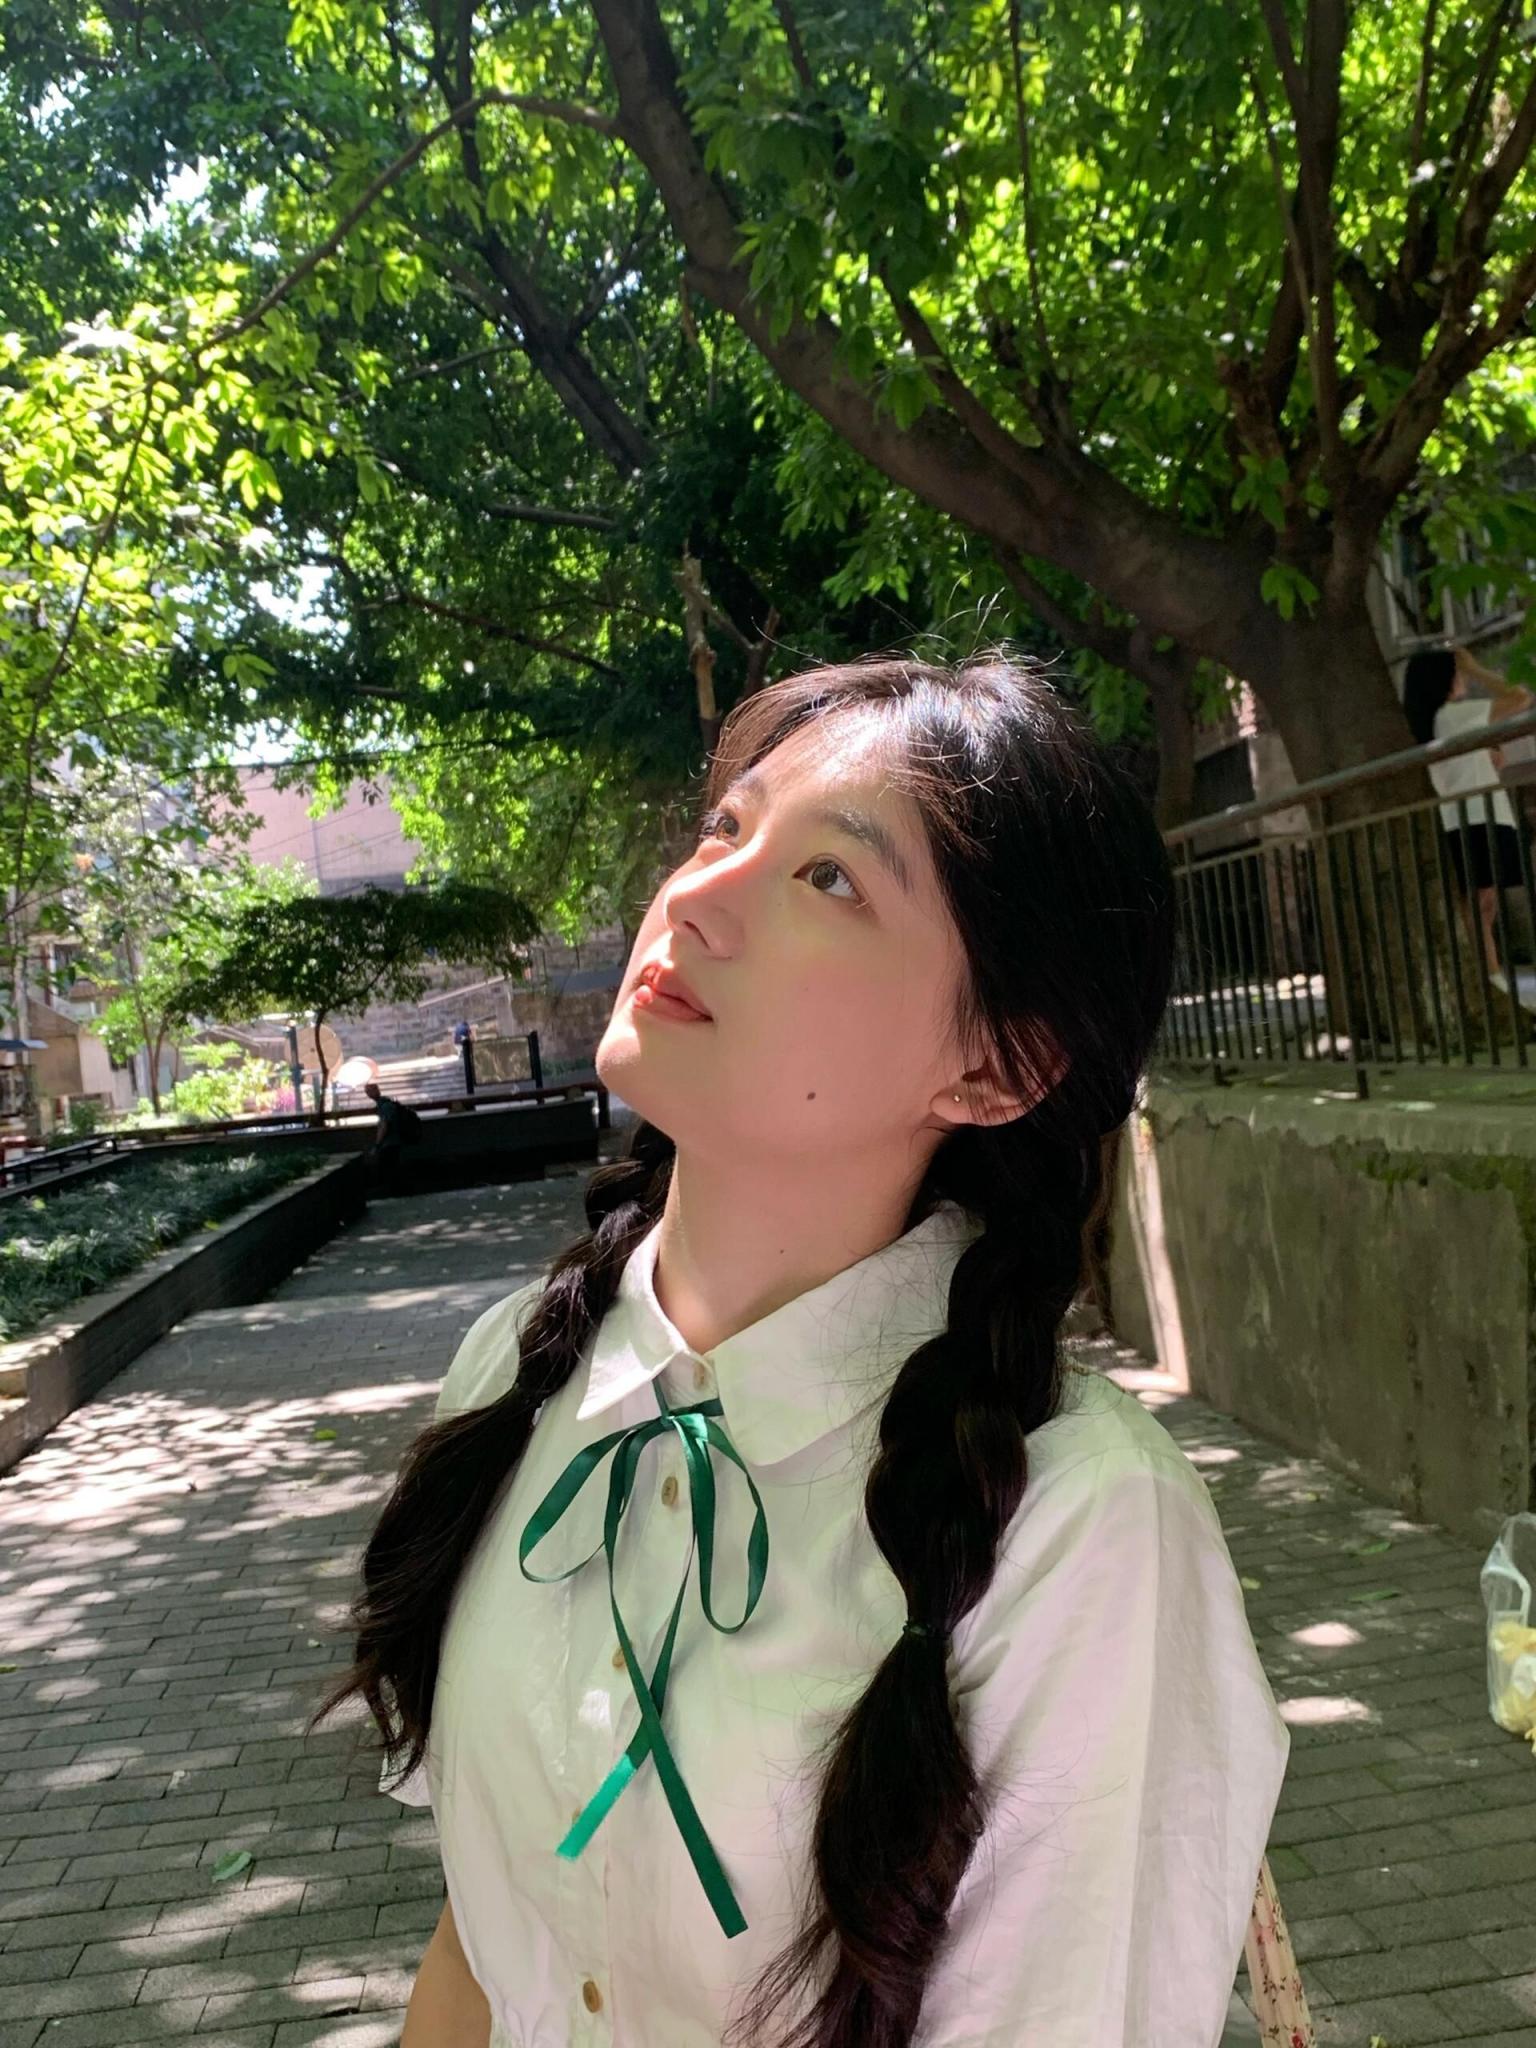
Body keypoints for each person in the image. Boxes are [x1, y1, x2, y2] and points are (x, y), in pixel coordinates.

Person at [312, 656, 1291, 2048]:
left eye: (829, 877)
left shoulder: (1084, 1527)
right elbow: (484, 1945)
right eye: (724, 827)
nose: (697, 895)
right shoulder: (509, 1375)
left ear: (996, 1067)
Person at [1403, 643, 1536, 995]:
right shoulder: (1452, 715)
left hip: (1466, 817)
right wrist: (1477, 669)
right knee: (1481, 906)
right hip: (1477, 816)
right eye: (1458, 673)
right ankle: (1490, 978)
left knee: (1482, 906)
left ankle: (1491, 977)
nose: (1462, 678)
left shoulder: (1436, 721)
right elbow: (1520, 697)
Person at [362, 1081, 419, 1188]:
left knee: (388, 1167)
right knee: (393, 1166)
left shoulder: (385, 1106)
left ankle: (395, 1188)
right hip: (395, 1141)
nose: (368, 1094)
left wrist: (377, 1144)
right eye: (367, 1092)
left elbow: (384, 1126)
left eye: (369, 1091)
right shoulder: (387, 1104)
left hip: (389, 1143)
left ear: (376, 1090)